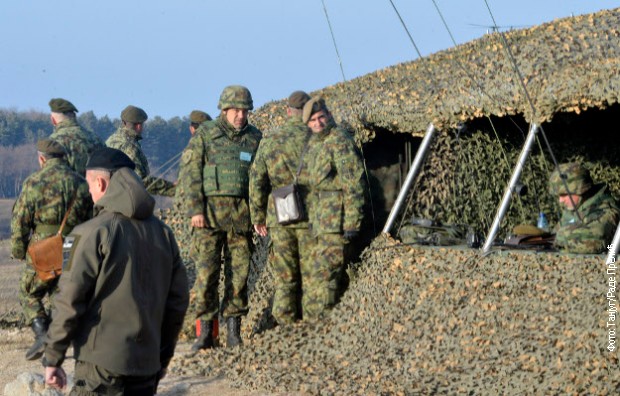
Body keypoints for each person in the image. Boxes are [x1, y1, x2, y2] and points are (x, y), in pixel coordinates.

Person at [43, 147, 189, 395]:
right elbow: (177, 304)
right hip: (146, 368)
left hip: (100, 370)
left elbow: (68, 299)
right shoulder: (164, 234)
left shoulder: (89, 232)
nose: (90, 194)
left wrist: (52, 357)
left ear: (100, 183)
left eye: (90, 187)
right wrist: (160, 359)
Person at [185, 85, 262, 349]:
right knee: (206, 276)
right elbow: (191, 173)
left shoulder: (255, 138)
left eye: (245, 111)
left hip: (240, 219)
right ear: (224, 109)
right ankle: (206, 333)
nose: (241, 116)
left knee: (238, 278)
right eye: (236, 111)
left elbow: (260, 179)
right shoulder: (206, 135)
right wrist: (195, 209)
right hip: (207, 218)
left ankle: (233, 332)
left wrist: (259, 214)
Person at [10, 139, 92, 361]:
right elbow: (91, 219)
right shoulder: (81, 183)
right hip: (74, 245)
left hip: (42, 248)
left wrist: (18, 251)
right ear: (63, 158)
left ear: (42, 159)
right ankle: (59, 344)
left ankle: (42, 335)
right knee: (62, 295)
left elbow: (20, 222)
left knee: (29, 292)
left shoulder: (33, 183)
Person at [249, 90, 324, 324]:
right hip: (313, 215)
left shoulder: (271, 141)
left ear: (287, 111)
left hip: (280, 215)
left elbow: (257, 180)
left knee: (285, 276)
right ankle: (313, 326)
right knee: (312, 274)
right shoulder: (319, 137)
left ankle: (285, 328)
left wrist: (258, 216)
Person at [302, 97, 365, 312]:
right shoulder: (313, 144)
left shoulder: (340, 141)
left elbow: (353, 183)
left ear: (329, 116)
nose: (318, 123)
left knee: (327, 275)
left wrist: (352, 223)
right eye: (312, 120)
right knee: (317, 275)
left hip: (336, 221)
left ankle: (326, 324)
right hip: (319, 221)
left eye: (321, 117)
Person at [548, 162, 619, 254]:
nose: (561, 200)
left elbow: (592, 243)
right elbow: (554, 236)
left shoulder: (608, 212)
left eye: (564, 195)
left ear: (581, 190)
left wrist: (559, 239)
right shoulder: (576, 208)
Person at [106, 105, 176, 196]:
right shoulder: (130, 147)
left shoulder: (110, 141)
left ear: (123, 122)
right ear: (139, 126)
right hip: (124, 201)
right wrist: (172, 188)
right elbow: (140, 181)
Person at [48, 98, 104, 176]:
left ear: (53, 120)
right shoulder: (95, 138)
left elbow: (51, 174)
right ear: (74, 116)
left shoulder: (53, 142)